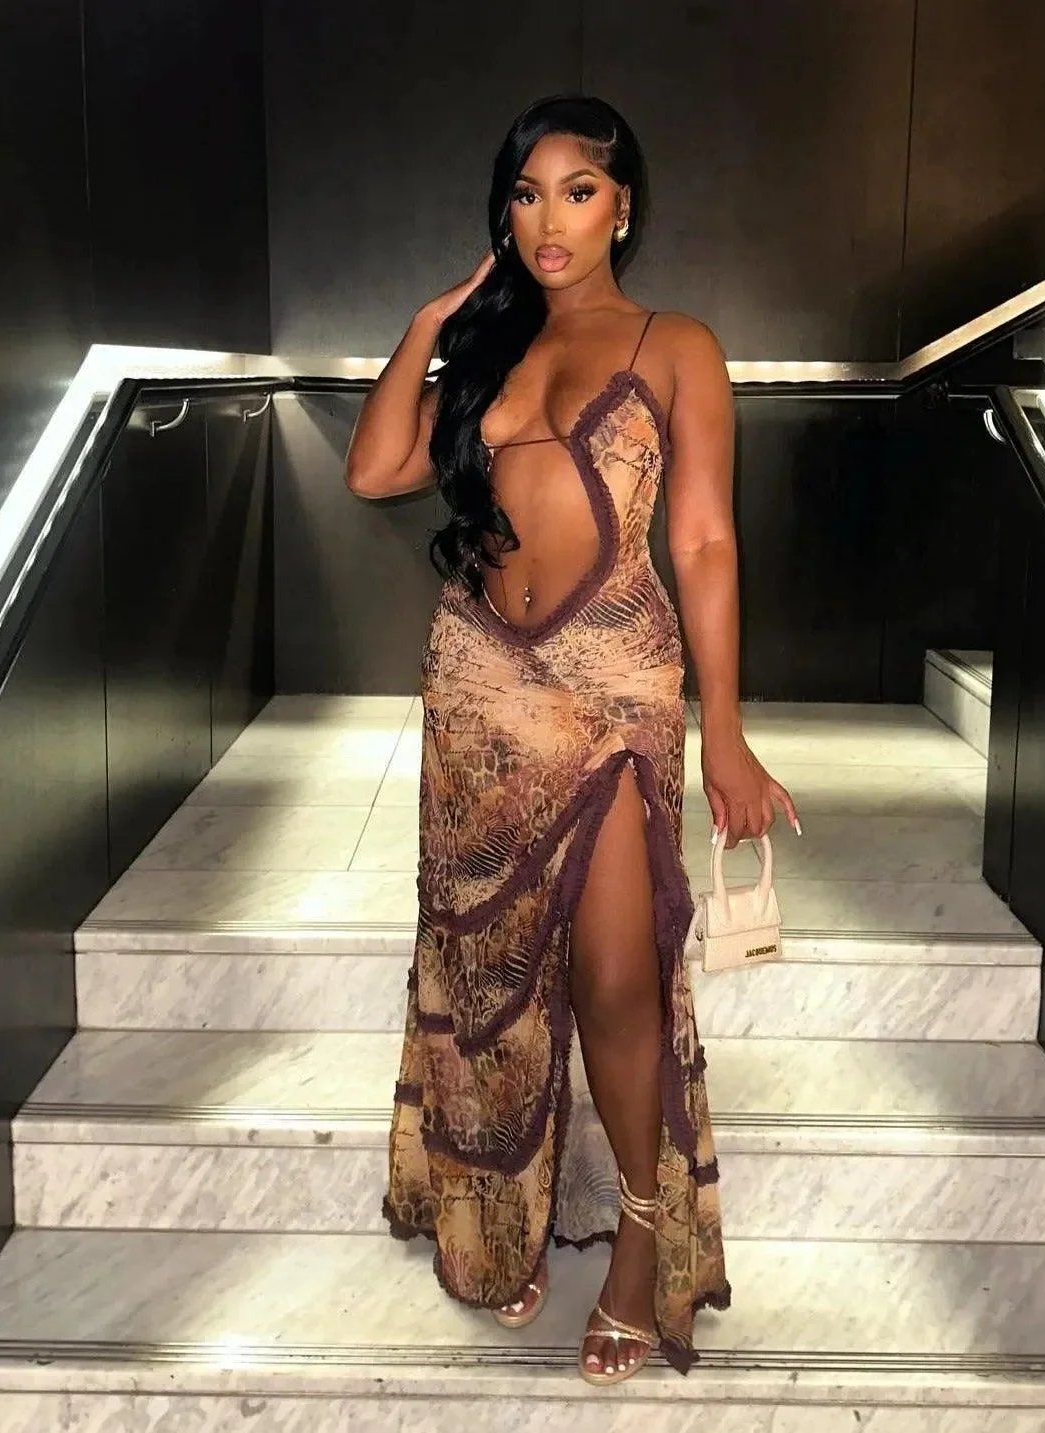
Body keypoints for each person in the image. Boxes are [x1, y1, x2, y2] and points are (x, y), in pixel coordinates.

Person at [347, 94, 797, 1386]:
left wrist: (724, 732)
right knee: (489, 970)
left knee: (612, 978)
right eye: (528, 192)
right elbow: (375, 471)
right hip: (479, 687)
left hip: (611, 686)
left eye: (579, 190)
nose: (551, 218)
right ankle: (504, 1214)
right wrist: (428, 327)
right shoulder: (488, 352)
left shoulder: (675, 344)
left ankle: (643, 1249)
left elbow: (703, 539)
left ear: (623, 207)